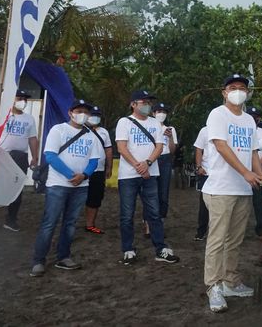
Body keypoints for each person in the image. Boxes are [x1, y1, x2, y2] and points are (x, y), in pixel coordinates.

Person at [202, 74, 262, 313]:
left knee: (235, 240)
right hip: (220, 189)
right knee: (217, 240)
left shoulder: (249, 120)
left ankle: (231, 282)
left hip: (242, 190)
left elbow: (254, 152)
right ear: (224, 92)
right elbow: (221, 146)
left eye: (242, 88)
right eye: (233, 87)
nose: (238, 91)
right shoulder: (217, 114)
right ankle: (214, 287)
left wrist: (259, 175)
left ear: (247, 93)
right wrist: (246, 173)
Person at [29, 99, 103, 277]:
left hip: (81, 186)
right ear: (70, 112)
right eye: (79, 111)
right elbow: (51, 156)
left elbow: (95, 160)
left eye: (86, 112)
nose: (82, 114)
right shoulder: (58, 130)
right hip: (58, 185)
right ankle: (39, 260)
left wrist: (84, 176)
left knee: (70, 224)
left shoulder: (91, 136)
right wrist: (72, 176)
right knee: (49, 223)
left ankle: (64, 256)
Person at [115, 90, 179, 265]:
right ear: (133, 104)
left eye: (149, 102)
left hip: (151, 173)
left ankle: (161, 249)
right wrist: (139, 165)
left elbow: (160, 146)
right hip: (128, 176)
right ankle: (128, 250)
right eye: (143, 101)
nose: (147, 105)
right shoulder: (124, 122)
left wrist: (148, 163)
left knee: (154, 213)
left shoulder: (155, 123)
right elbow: (121, 147)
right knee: (127, 214)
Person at [0, 89, 39, 232]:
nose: (22, 101)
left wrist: (35, 157)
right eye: (19, 98)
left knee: (17, 189)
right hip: (1, 156)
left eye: (24, 99)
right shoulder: (2, 115)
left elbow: (32, 138)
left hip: (20, 157)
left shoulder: (29, 119)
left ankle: (11, 220)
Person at [84, 105, 113, 234]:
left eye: (97, 115)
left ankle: (90, 224)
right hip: (82, 170)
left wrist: (109, 166)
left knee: (95, 197)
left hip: (99, 170)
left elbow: (109, 150)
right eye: (92, 115)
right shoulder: (80, 129)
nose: (95, 118)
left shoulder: (104, 132)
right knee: (75, 197)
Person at [246, 106, 262, 237]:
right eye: (250, 116)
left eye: (255, 117)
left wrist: (257, 167)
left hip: (259, 172)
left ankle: (261, 227)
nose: (253, 119)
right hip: (243, 171)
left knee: (259, 201)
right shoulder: (244, 129)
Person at [153, 102, 178, 224]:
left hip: (165, 160)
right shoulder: (149, 127)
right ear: (153, 113)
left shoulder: (170, 129)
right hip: (152, 160)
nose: (161, 114)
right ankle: (148, 223)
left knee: (163, 193)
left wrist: (170, 138)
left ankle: (160, 222)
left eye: (164, 112)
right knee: (150, 192)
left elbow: (172, 150)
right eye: (159, 112)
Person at [193, 125, 210, 241]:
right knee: (204, 205)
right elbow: (199, 149)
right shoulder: (205, 130)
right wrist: (199, 166)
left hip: (224, 174)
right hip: (206, 172)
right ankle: (201, 231)